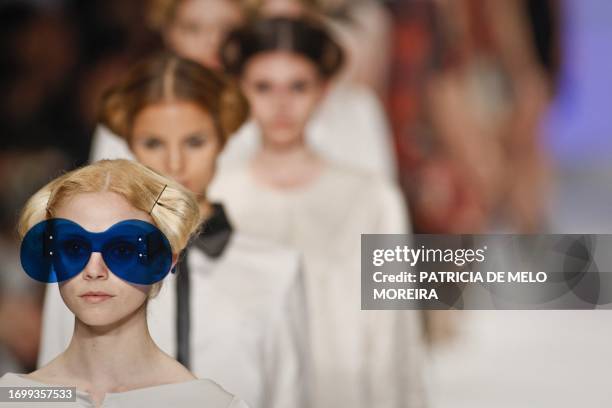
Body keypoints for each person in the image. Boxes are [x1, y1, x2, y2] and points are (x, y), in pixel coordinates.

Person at [38, 53, 308, 408]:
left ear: (222, 141)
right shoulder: (83, 266)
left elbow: (291, 397)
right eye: (153, 143)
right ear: (129, 145)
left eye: (195, 141)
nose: (175, 163)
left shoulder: (276, 270)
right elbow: (50, 392)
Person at [211, 17, 426, 408]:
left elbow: (394, 326)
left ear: (323, 91)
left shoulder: (372, 198)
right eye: (263, 87)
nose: (281, 104)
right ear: (240, 90)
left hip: (349, 392)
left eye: (298, 86)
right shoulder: (216, 196)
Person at [0, 159, 248, 407]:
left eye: (122, 250)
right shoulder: (16, 396)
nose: (94, 271)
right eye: (74, 248)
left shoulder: (206, 404)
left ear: (165, 260)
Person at [89, 0, 397, 180]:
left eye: (224, 30)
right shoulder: (127, 111)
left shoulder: (351, 109)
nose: (210, 43)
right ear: (167, 31)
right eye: (193, 28)